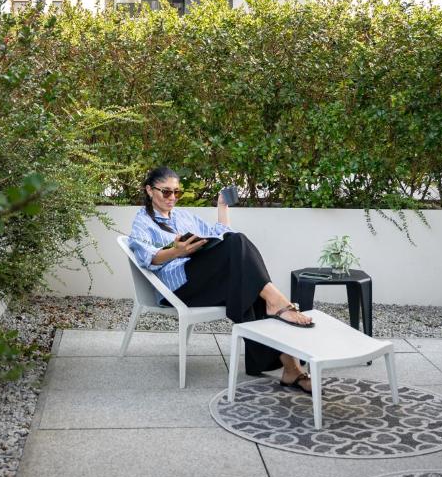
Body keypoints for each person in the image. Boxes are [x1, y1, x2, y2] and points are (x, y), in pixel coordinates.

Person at [127, 166, 315, 394]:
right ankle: (277, 303)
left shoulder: (183, 216)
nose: (172, 197)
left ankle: (291, 368)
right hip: (176, 288)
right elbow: (147, 258)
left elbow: (221, 234)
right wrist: (177, 251)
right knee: (239, 247)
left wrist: (222, 206)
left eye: (177, 192)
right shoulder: (143, 222)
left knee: (245, 278)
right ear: (150, 190)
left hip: (201, 279)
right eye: (166, 192)